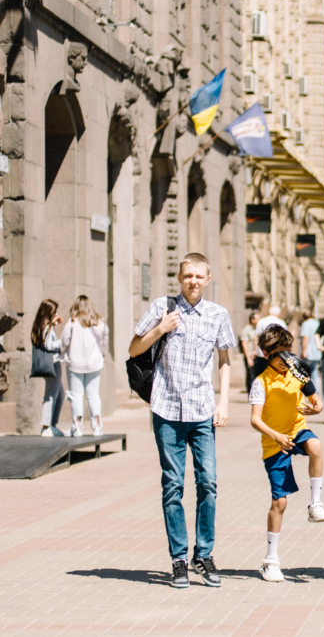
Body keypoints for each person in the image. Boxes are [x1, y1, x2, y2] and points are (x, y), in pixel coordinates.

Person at [128, 253, 236, 590]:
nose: (193, 281)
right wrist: (160, 329)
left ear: (207, 280)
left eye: (199, 276)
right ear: (179, 277)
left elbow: (224, 360)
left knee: (209, 483)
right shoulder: (162, 307)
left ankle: (203, 554)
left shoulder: (218, 315)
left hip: (202, 411)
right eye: (188, 275)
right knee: (173, 485)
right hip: (167, 410)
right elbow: (133, 349)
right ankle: (178, 559)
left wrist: (223, 402)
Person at [249, 324, 324, 582]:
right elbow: (255, 420)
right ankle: (270, 560)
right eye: (280, 354)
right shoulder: (261, 382)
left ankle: (315, 504)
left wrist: (317, 408)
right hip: (274, 442)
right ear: (266, 354)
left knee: (316, 446)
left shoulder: (297, 372)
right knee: (280, 503)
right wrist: (276, 436)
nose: (287, 359)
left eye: (289, 352)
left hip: (296, 430)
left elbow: (318, 402)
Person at [61, 295, 109, 437]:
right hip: (94, 362)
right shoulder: (98, 322)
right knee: (93, 394)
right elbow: (104, 339)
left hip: (75, 363)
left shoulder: (72, 322)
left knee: (76, 395)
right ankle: (97, 426)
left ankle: (77, 427)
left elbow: (64, 341)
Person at [31, 299, 65, 436]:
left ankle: (52, 424)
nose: (56, 314)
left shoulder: (42, 326)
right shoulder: (46, 327)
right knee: (51, 395)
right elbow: (49, 345)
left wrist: (53, 324)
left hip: (51, 364)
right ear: (48, 313)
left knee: (60, 395)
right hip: (53, 363)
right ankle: (46, 426)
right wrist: (62, 343)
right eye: (54, 312)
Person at [253, 306, 287, 377]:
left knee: (261, 374)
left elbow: (256, 337)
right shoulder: (281, 323)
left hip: (261, 353)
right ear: (278, 314)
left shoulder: (261, 321)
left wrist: (254, 350)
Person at [299, 309, 322, 395]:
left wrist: (303, 351)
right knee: (314, 373)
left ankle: (305, 394)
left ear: (303, 317)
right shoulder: (317, 323)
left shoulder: (305, 324)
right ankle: (316, 394)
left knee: (303, 374)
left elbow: (305, 338)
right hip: (317, 353)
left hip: (308, 353)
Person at [239, 311, 260, 391]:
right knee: (250, 376)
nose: (259, 321)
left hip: (256, 355)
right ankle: (250, 392)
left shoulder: (257, 329)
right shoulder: (246, 330)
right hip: (250, 355)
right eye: (257, 319)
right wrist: (248, 358)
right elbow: (244, 345)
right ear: (252, 320)